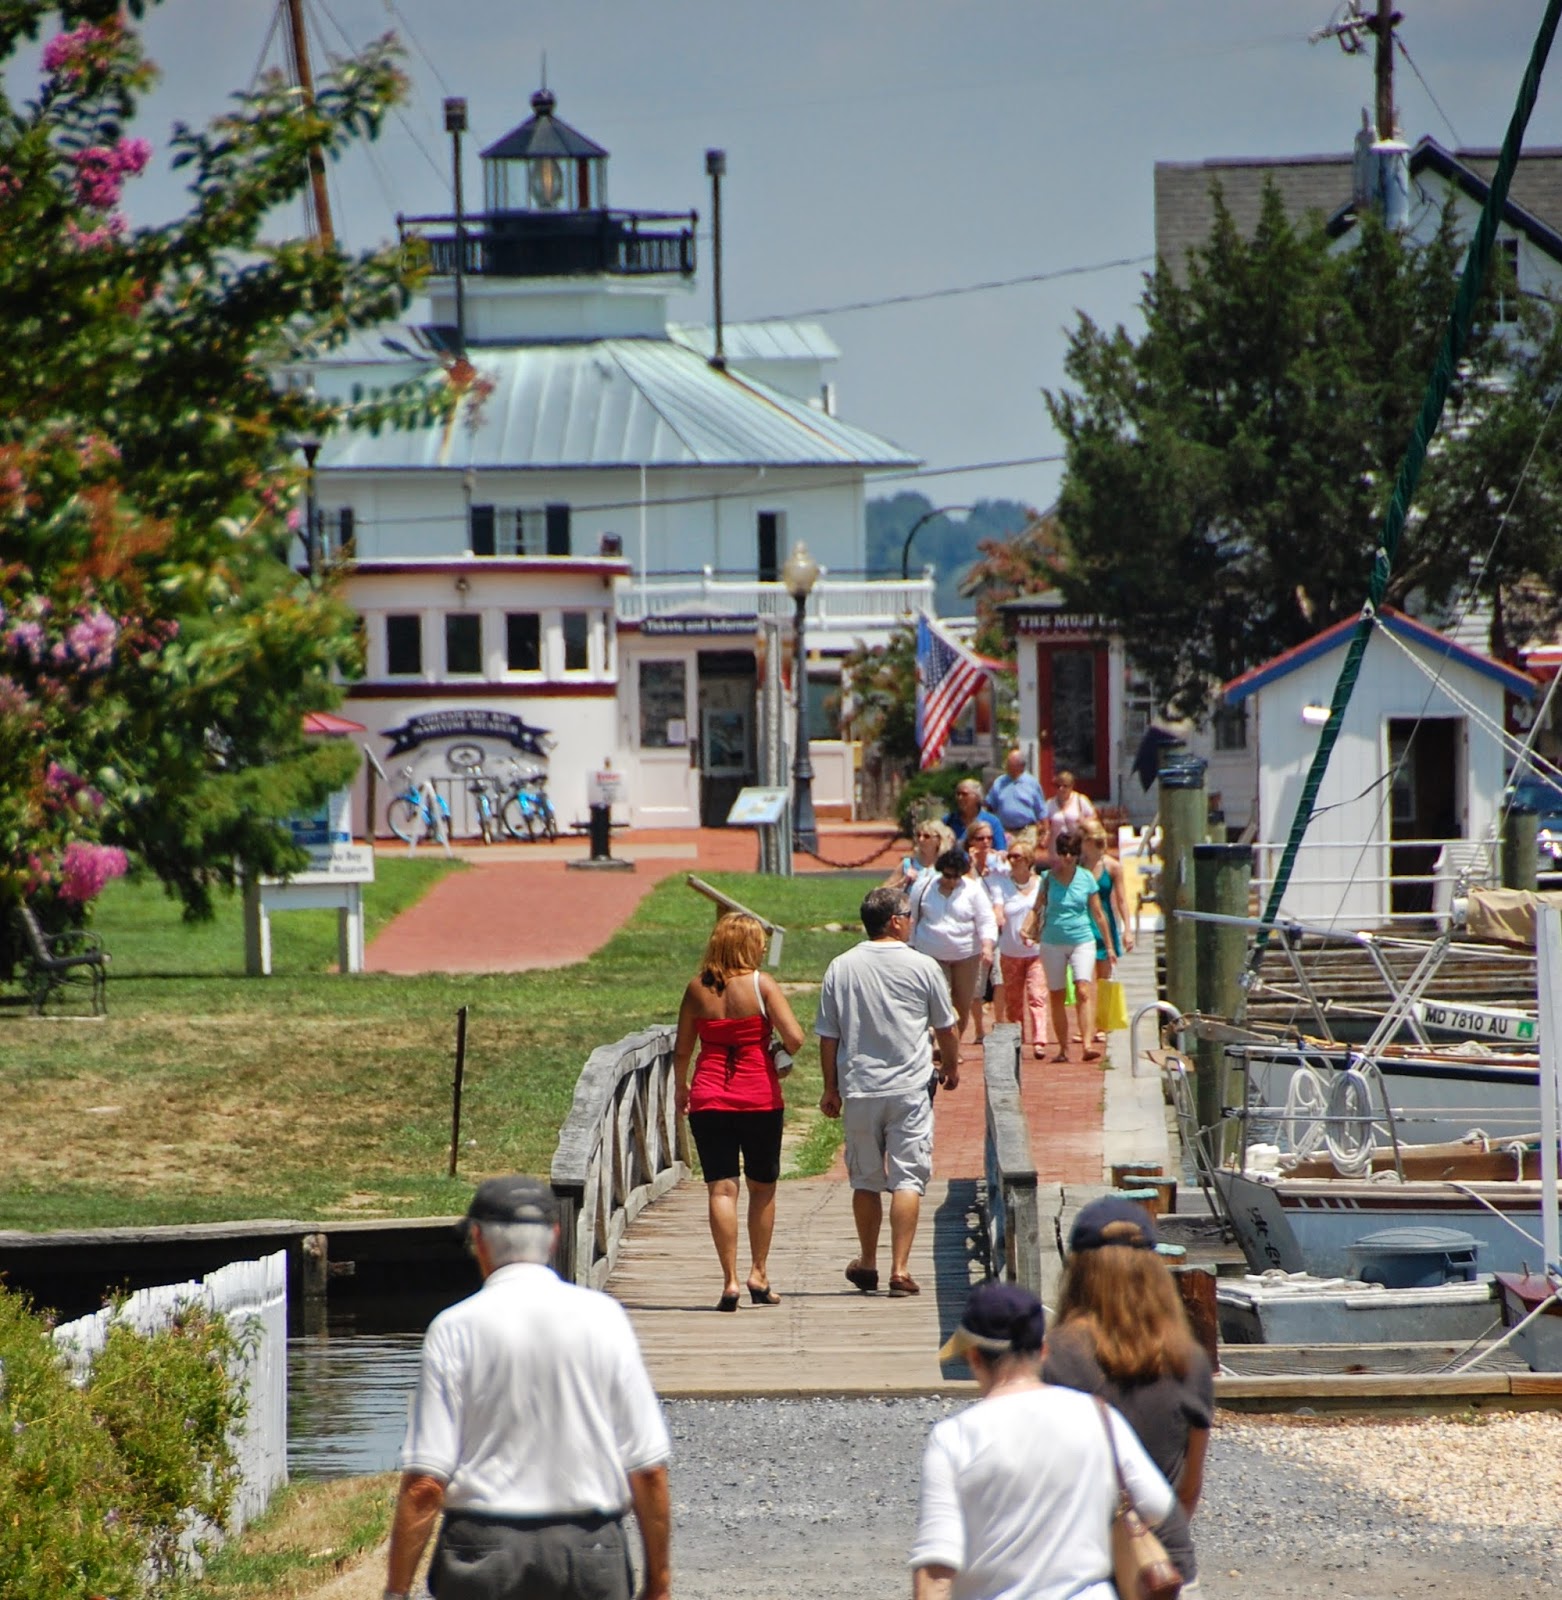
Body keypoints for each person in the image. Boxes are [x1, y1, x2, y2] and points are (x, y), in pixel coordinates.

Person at [386, 1175, 672, 1600]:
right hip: (589, 1552)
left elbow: (427, 1482)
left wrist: (396, 1590)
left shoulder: (453, 1328)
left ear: (478, 1239)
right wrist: (659, 1583)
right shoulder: (604, 1318)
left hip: (481, 1554)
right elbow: (648, 1469)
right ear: (554, 1237)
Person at [911, 1279, 1175, 1600]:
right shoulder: (1098, 1416)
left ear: (974, 1358)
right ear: (1044, 1351)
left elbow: (936, 1572)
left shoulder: (954, 1438)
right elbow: (1157, 1504)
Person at [1044, 1196, 1214, 1592]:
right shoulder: (1190, 1361)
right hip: (1161, 1568)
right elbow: (1187, 1490)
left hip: (1075, 1570)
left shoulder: (1053, 1357)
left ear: (1078, 1272)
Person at [816, 885, 961, 1298]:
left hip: (860, 1088)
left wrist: (831, 1087)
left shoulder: (840, 967)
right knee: (907, 1178)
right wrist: (950, 1065)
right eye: (909, 915)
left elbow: (828, 1035)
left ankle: (868, 1261)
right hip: (910, 1087)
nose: (912, 921)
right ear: (895, 921)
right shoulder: (923, 966)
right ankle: (899, 1268)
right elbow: (945, 1027)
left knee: (864, 1179)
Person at [674, 912, 805, 1311]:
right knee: (762, 1188)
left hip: (710, 1097)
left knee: (722, 1187)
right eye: (759, 940)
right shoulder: (761, 984)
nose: (764, 947)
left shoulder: (698, 988)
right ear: (746, 945)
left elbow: (683, 1048)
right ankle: (758, 1273)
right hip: (759, 1098)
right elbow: (796, 1038)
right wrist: (778, 1051)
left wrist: (682, 1086)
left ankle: (729, 1280)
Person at [1021, 831, 1111, 1063]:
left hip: (1082, 938)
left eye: (1072, 852)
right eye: (1063, 852)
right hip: (1052, 940)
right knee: (1057, 994)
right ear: (1057, 854)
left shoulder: (1086, 878)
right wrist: (1027, 928)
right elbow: (1036, 907)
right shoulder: (1048, 878)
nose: (1068, 857)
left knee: (1083, 989)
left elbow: (1098, 914)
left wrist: (1109, 946)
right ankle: (1062, 1048)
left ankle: (1088, 1043)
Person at [910, 846, 997, 1044]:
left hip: (966, 954)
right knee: (939, 1000)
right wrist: (910, 946)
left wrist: (987, 946)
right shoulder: (923, 887)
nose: (951, 881)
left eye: (956, 877)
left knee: (962, 1004)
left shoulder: (973, 889)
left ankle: (952, 1046)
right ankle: (937, 1044)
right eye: (947, 876)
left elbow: (986, 919)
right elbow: (913, 918)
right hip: (931, 952)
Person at [1079, 820, 1133, 1044]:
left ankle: (1101, 1025)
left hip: (1104, 922)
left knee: (1103, 978)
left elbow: (1121, 899)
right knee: (1083, 979)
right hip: (1082, 921)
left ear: (1090, 840)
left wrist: (1127, 929)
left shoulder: (1112, 866)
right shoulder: (1078, 865)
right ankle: (1086, 1026)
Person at [995, 838, 1048, 1058]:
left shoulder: (1041, 884)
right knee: (1013, 1000)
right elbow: (998, 908)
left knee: (1037, 995)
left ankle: (1040, 1040)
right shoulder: (1002, 885)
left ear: (1028, 860)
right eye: (1010, 856)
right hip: (1010, 951)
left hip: (1037, 951)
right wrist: (997, 916)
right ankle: (1017, 1039)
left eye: (1017, 856)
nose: (1012, 860)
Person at [986, 748, 1046, 837]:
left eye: (1009, 763)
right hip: (1005, 831)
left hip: (1027, 831)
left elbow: (1041, 810)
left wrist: (1045, 832)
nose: (1006, 766)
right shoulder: (999, 782)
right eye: (1007, 763)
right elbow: (990, 806)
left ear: (1020, 766)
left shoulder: (1032, 783)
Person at [890, 819, 956, 891]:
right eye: (918, 835)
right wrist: (903, 882)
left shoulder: (948, 866)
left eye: (926, 836)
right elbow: (882, 892)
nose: (921, 839)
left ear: (939, 840)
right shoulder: (908, 863)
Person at [944, 777, 1008, 851]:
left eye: (964, 794)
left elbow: (1001, 850)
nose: (960, 798)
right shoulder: (948, 821)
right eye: (958, 794)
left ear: (977, 797)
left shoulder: (992, 822)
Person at [1042, 770, 1097, 849]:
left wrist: (1084, 821)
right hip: (1056, 847)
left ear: (1071, 786)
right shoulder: (1049, 804)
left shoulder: (1080, 800)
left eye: (1065, 786)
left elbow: (1094, 816)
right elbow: (1043, 821)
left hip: (1077, 845)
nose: (1061, 789)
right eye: (1058, 786)